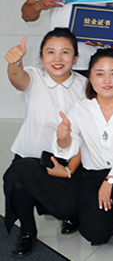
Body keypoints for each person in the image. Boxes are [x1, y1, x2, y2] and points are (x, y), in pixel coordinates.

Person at [54, 48, 113, 259]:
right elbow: (69, 148)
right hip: (95, 174)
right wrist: (64, 137)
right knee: (95, 233)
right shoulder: (80, 109)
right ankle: (112, 212)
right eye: (100, 74)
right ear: (90, 77)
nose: (107, 80)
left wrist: (110, 179)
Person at [3, 29, 87, 257]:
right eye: (50, 52)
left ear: (75, 58)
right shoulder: (34, 76)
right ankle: (27, 231)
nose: (57, 58)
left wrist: (70, 169)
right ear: (41, 57)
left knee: (69, 207)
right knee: (17, 177)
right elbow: (18, 78)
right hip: (31, 156)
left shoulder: (85, 85)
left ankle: (66, 212)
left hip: (69, 158)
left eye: (65, 52)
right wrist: (15, 62)